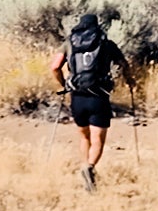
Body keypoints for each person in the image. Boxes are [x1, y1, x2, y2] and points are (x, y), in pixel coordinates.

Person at [52, 12, 132, 188]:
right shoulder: (106, 43)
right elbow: (123, 64)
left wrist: (64, 84)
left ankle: (85, 168)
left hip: (77, 96)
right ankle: (90, 167)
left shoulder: (69, 42)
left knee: (84, 136)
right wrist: (129, 81)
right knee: (98, 139)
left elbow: (55, 67)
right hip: (99, 96)